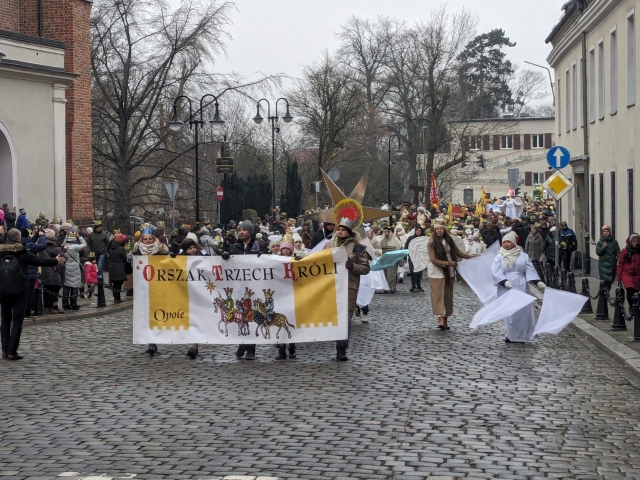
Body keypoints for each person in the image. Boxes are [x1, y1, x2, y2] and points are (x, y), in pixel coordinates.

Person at [0, 228, 65, 360]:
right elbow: (39, 261)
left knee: (5, 321)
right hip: (19, 290)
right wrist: (56, 261)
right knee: (17, 320)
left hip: (2, 290)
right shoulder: (22, 252)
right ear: (18, 239)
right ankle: (12, 351)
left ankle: (5, 350)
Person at [323, 199, 370, 361]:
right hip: (330, 288)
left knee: (346, 321)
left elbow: (365, 269)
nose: (340, 231)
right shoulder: (328, 245)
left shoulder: (358, 247)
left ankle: (341, 349)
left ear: (350, 232)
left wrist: (353, 267)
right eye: (339, 229)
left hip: (348, 288)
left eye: (344, 229)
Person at [222, 220, 269, 360]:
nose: (241, 232)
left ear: (250, 232)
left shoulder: (258, 246)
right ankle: (242, 345)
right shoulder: (234, 247)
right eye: (239, 229)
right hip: (238, 286)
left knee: (251, 315)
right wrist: (224, 257)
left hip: (254, 286)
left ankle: (250, 348)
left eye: (244, 230)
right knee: (241, 315)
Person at [491, 231, 546, 343]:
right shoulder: (499, 257)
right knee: (510, 311)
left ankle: (522, 334)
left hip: (521, 285)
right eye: (504, 242)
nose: (506, 244)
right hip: (506, 287)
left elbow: (529, 269)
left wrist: (537, 282)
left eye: (508, 242)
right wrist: (504, 281)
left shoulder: (523, 256)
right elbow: (495, 271)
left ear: (513, 243)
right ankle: (511, 334)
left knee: (521, 310)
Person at [427, 222, 475, 330]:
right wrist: (448, 263)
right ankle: (441, 318)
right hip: (437, 271)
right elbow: (433, 260)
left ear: (444, 230)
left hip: (449, 271)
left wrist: (472, 256)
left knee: (447, 296)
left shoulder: (449, 241)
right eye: (437, 229)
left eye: (441, 229)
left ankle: (445, 319)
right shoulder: (431, 243)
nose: (439, 231)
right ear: (435, 231)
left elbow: (458, 252)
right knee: (439, 296)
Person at [132, 231, 170, 355]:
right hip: (143, 288)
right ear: (141, 241)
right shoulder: (136, 253)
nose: (147, 241)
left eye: (150, 239)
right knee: (146, 316)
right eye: (145, 239)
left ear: (154, 240)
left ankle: (157, 339)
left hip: (159, 287)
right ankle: (151, 341)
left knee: (158, 314)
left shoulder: (161, 252)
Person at [276, 242, 297, 360]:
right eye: (283, 248)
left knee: (291, 321)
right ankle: (281, 350)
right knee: (281, 323)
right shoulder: (276, 261)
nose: (285, 251)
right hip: (280, 295)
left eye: (287, 249)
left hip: (292, 295)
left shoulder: (295, 260)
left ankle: (292, 348)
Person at [39, 229, 63, 314]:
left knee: (46, 290)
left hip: (44, 270)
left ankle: (46, 307)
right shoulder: (53, 247)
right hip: (53, 270)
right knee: (54, 289)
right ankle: (51, 307)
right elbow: (61, 258)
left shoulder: (41, 246)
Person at [62, 230, 87, 310]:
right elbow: (84, 244)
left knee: (66, 286)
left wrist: (66, 236)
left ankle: (65, 303)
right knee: (75, 285)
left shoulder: (65, 247)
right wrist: (79, 236)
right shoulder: (76, 247)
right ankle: (74, 303)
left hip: (66, 266)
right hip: (75, 267)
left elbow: (64, 242)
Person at [616, 233, 640, 309]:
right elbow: (620, 264)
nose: (635, 243)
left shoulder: (639, 251)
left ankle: (635, 307)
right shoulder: (625, 251)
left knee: (636, 292)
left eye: (636, 241)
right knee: (630, 290)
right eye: (633, 241)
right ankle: (631, 306)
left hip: (637, 275)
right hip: (627, 274)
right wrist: (619, 277)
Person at [596, 225, 620, 293]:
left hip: (612, 264)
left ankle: (607, 291)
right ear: (602, 232)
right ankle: (605, 293)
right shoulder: (600, 242)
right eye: (604, 231)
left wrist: (619, 256)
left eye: (607, 231)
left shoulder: (614, 242)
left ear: (610, 232)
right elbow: (598, 252)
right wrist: (603, 247)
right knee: (604, 279)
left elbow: (617, 251)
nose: (606, 233)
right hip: (603, 264)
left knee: (610, 280)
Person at [107, 232, 128, 304]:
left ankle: (116, 297)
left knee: (115, 284)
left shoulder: (111, 249)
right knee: (119, 283)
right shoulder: (121, 249)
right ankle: (117, 298)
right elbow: (125, 258)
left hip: (112, 268)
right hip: (119, 268)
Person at [379, 226, 402, 294]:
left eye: (388, 232)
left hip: (393, 260)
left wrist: (400, 261)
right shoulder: (381, 240)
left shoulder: (396, 241)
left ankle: (392, 287)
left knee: (392, 274)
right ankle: (386, 287)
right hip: (384, 259)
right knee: (385, 274)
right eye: (385, 231)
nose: (386, 233)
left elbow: (399, 250)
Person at [405, 226, 426, 292]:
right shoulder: (411, 238)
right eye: (417, 230)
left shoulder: (423, 238)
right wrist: (405, 257)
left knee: (419, 272)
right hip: (412, 257)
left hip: (420, 257)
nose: (418, 232)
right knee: (413, 271)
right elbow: (406, 247)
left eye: (419, 230)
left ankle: (419, 286)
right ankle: (413, 286)